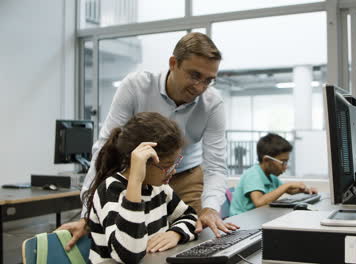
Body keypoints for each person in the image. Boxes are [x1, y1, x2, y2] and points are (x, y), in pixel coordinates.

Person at [58, 32, 238, 251]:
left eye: (208, 80)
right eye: (194, 75)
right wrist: (88, 214)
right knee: (135, 239)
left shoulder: (213, 103)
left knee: (193, 241)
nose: (200, 87)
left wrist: (210, 208)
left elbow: (215, 164)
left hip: (186, 175)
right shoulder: (136, 86)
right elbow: (105, 146)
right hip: (138, 175)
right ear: (173, 63)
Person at [85, 112, 197, 263]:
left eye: (175, 163)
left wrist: (175, 233)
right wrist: (136, 182)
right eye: (166, 166)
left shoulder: (160, 189)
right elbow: (129, 254)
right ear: (141, 162)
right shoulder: (111, 190)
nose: (173, 171)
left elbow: (190, 216)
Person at [229, 133, 317, 216]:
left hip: (256, 217)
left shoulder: (271, 177)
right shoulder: (253, 174)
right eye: (283, 162)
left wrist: (304, 190)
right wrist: (287, 185)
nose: (285, 167)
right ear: (267, 160)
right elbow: (259, 203)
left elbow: (289, 190)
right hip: (241, 223)